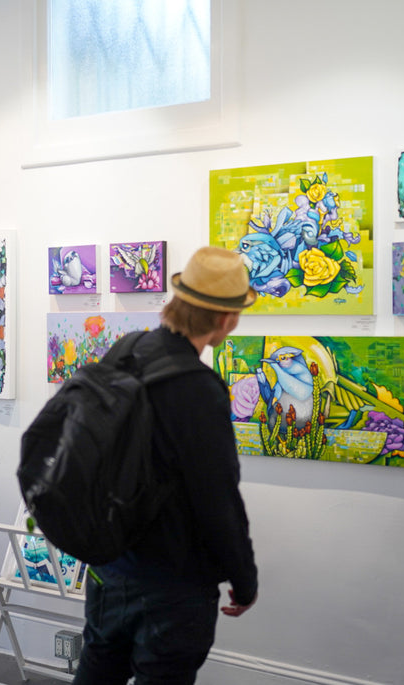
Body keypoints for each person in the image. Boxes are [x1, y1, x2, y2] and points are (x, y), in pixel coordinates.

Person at [73, 246, 259, 685]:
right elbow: (218, 499)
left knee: (97, 671)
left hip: (109, 569)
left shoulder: (126, 348)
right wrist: (244, 578)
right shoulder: (199, 388)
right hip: (171, 584)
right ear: (226, 319)